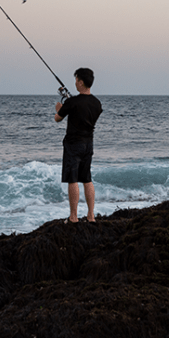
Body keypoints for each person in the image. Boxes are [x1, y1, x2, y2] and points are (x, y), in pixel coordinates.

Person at [55, 68, 103, 223]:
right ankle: (91, 216)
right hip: (88, 144)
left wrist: (59, 109)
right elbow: (82, 112)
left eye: (76, 80)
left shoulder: (72, 102)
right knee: (87, 179)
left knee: (73, 180)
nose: (75, 83)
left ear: (81, 82)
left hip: (73, 145)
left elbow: (58, 118)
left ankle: (73, 217)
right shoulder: (97, 103)